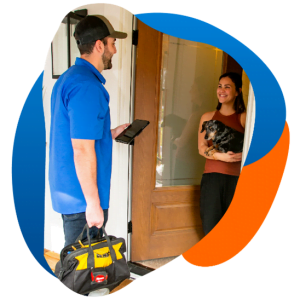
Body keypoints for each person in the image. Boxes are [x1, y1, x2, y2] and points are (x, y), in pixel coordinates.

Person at [49, 15, 129, 248]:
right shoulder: (87, 86)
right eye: (113, 43)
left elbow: (74, 133)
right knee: (81, 274)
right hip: (82, 199)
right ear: (99, 45)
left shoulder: (69, 78)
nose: (114, 50)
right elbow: (82, 149)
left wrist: (110, 133)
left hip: (71, 192)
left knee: (79, 266)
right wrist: (93, 204)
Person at [198, 72, 246, 235]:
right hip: (212, 179)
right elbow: (201, 147)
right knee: (210, 228)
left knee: (234, 229)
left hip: (237, 180)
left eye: (227, 87)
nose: (222, 90)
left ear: (238, 91)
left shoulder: (244, 118)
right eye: (220, 86)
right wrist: (221, 156)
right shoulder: (208, 117)